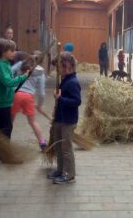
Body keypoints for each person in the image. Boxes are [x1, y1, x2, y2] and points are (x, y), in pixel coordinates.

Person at [0, 38, 29, 161]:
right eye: (11, 51)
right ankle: (4, 153)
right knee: (6, 128)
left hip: (5, 99)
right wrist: (22, 77)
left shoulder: (4, 64)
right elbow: (8, 82)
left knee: (1, 127)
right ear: (3, 51)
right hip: (3, 101)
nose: (14, 53)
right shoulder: (1, 65)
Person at [48, 52, 81, 184]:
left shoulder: (72, 82)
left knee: (66, 148)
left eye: (58, 68)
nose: (57, 71)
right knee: (59, 147)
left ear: (66, 66)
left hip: (68, 121)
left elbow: (77, 101)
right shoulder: (64, 80)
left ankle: (69, 174)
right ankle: (60, 170)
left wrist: (61, 98)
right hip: (60, 118)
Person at [11, 51, 47, 150]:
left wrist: (12, 81)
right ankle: (42, 142)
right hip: (28, 97)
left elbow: (10, 71)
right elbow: (42, 93)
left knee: (10, 120)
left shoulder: (20, 64)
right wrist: (40, 105)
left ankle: (4, 140)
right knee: (33, 122)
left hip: (15, 94)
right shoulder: (41, 73)